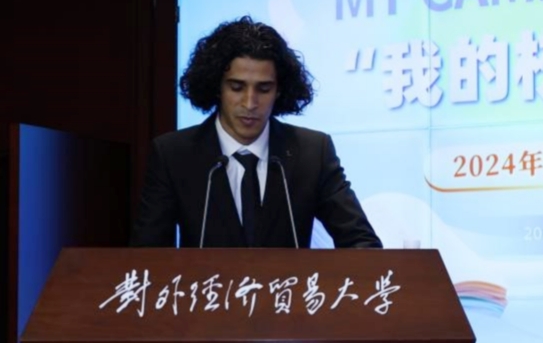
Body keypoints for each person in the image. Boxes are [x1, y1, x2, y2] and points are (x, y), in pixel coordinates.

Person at [130, 16, 382, 249]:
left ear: (279, 91)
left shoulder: (313, 152)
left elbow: (362, 243)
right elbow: (146, 258)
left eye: (263, 89)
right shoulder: (173, 154)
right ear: (217, 87)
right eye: (237, 87)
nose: (250, 103)